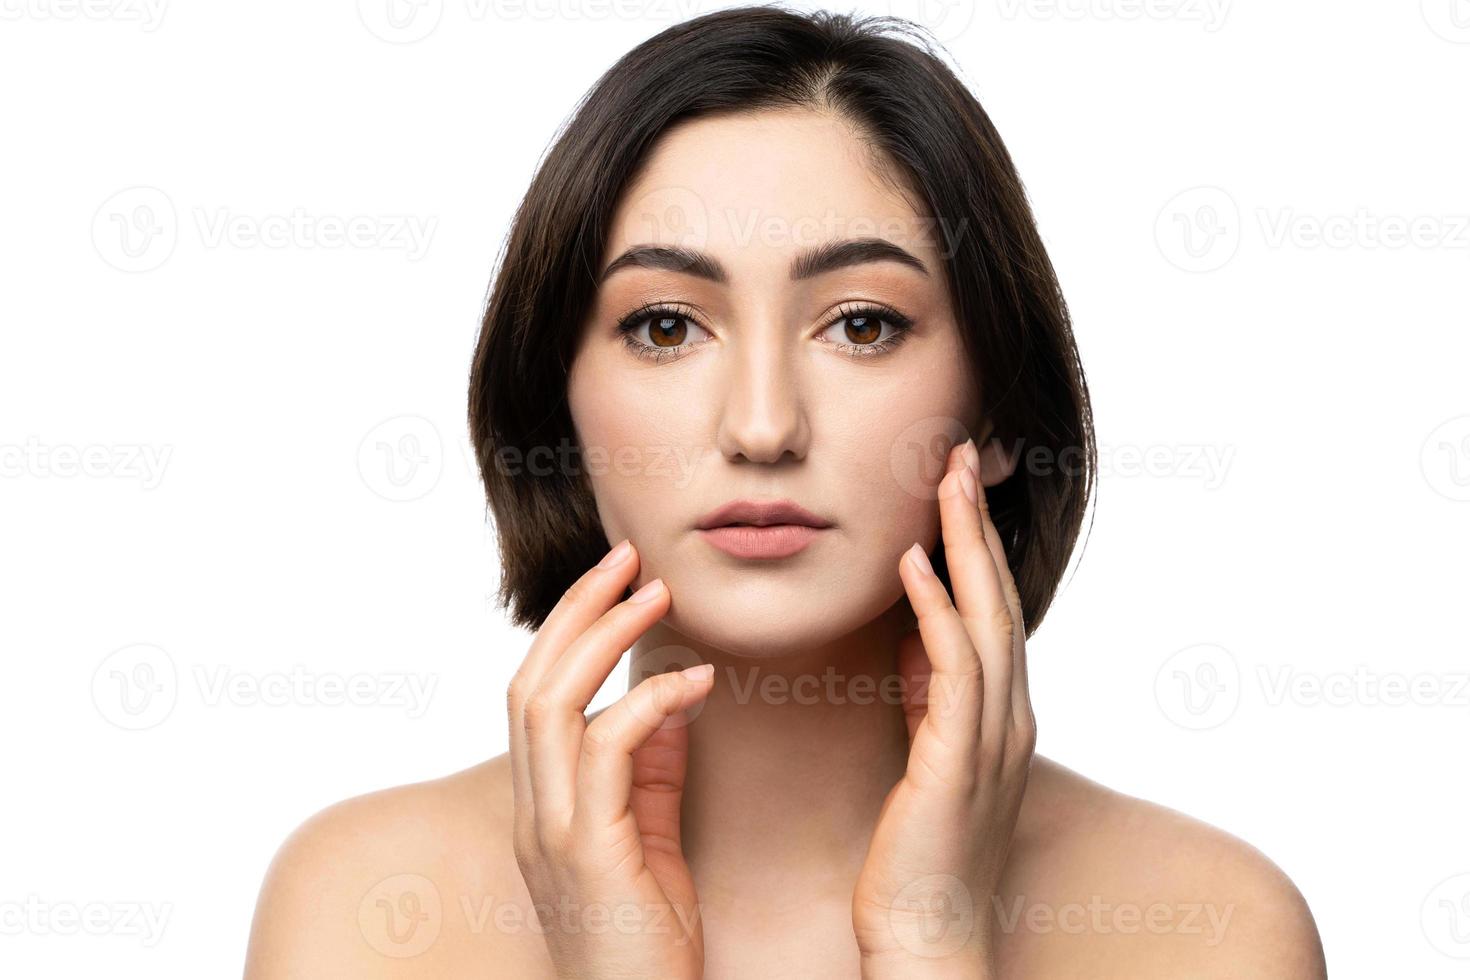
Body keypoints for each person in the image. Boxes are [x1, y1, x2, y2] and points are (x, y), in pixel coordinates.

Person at [244, 7, 1326, 977]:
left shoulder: (1209, 927)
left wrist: (931, 942)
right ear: (556, 406)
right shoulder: (366, 909)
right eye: (665, 326)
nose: (762, 426)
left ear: (997, 414)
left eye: (862, 324)